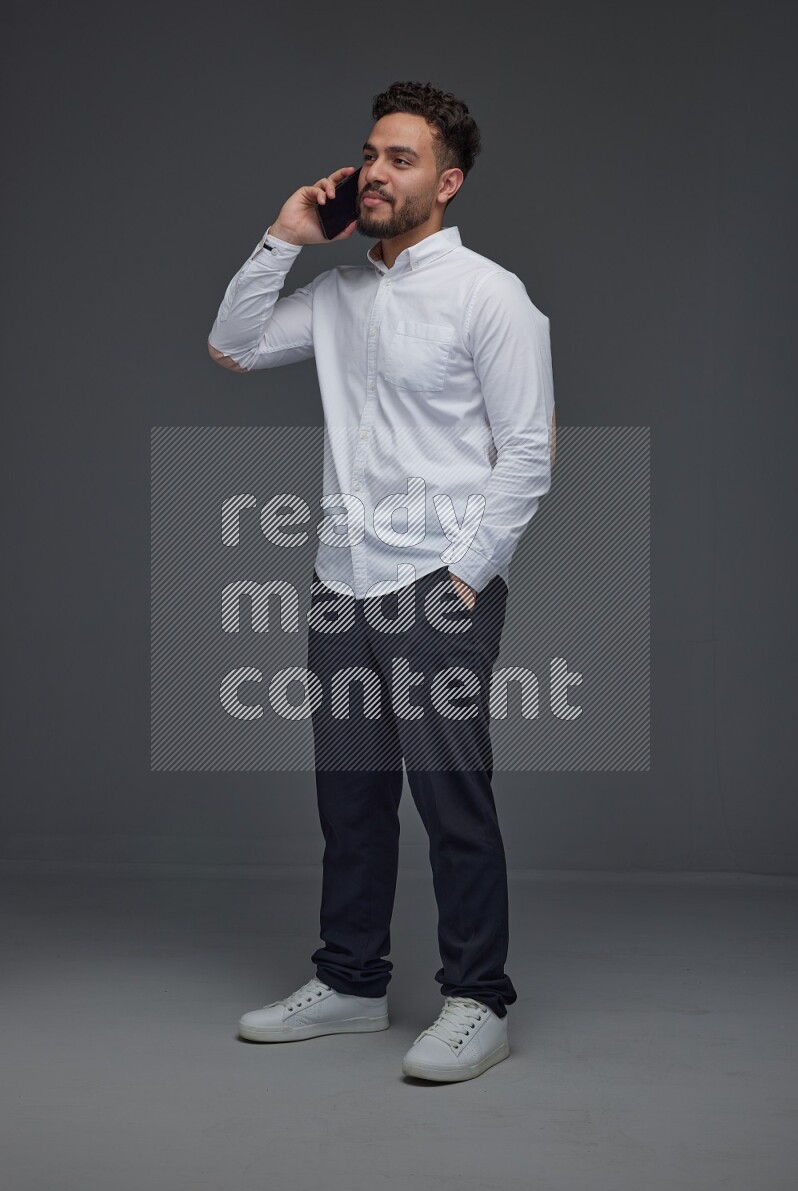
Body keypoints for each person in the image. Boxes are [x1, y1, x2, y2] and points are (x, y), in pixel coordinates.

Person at [208, 80, 556, 1083]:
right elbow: (231, 344)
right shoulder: (336, 295)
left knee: (452, 798)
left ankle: (476, 996)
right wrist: (282, 236)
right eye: (370, 152)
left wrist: (464, 576)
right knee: (350, 796)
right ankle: (352, 980)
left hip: (435, 584)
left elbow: (526, 452)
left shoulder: (490, 296)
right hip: (339, 580)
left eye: (400, 158)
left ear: (445, 183)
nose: (374, 170)